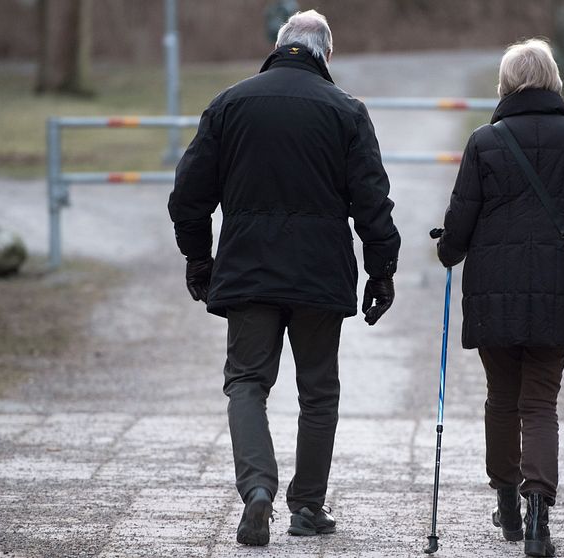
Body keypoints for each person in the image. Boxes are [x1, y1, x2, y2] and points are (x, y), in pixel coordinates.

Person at [167, 9, 400, 548]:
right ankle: (307, 507)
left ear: (279, 47)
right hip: (320, 274)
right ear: (326, 55)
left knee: (247, 382)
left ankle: (256, 491)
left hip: (248, 269)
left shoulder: (229, 105)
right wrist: (381, 271)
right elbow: (372, 201)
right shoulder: (347, 111)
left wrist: (199, 259)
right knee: (318, 392)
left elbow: (188, 196)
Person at [436, 39, 564, 558]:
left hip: (493, 292)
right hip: (557, 292)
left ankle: (508, 504)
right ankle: (538, 510)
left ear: (506, 84)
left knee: (501, 398)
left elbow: (460, 223)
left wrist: (448, 251)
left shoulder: (484, 142)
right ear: (555, 81)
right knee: (539, 402)